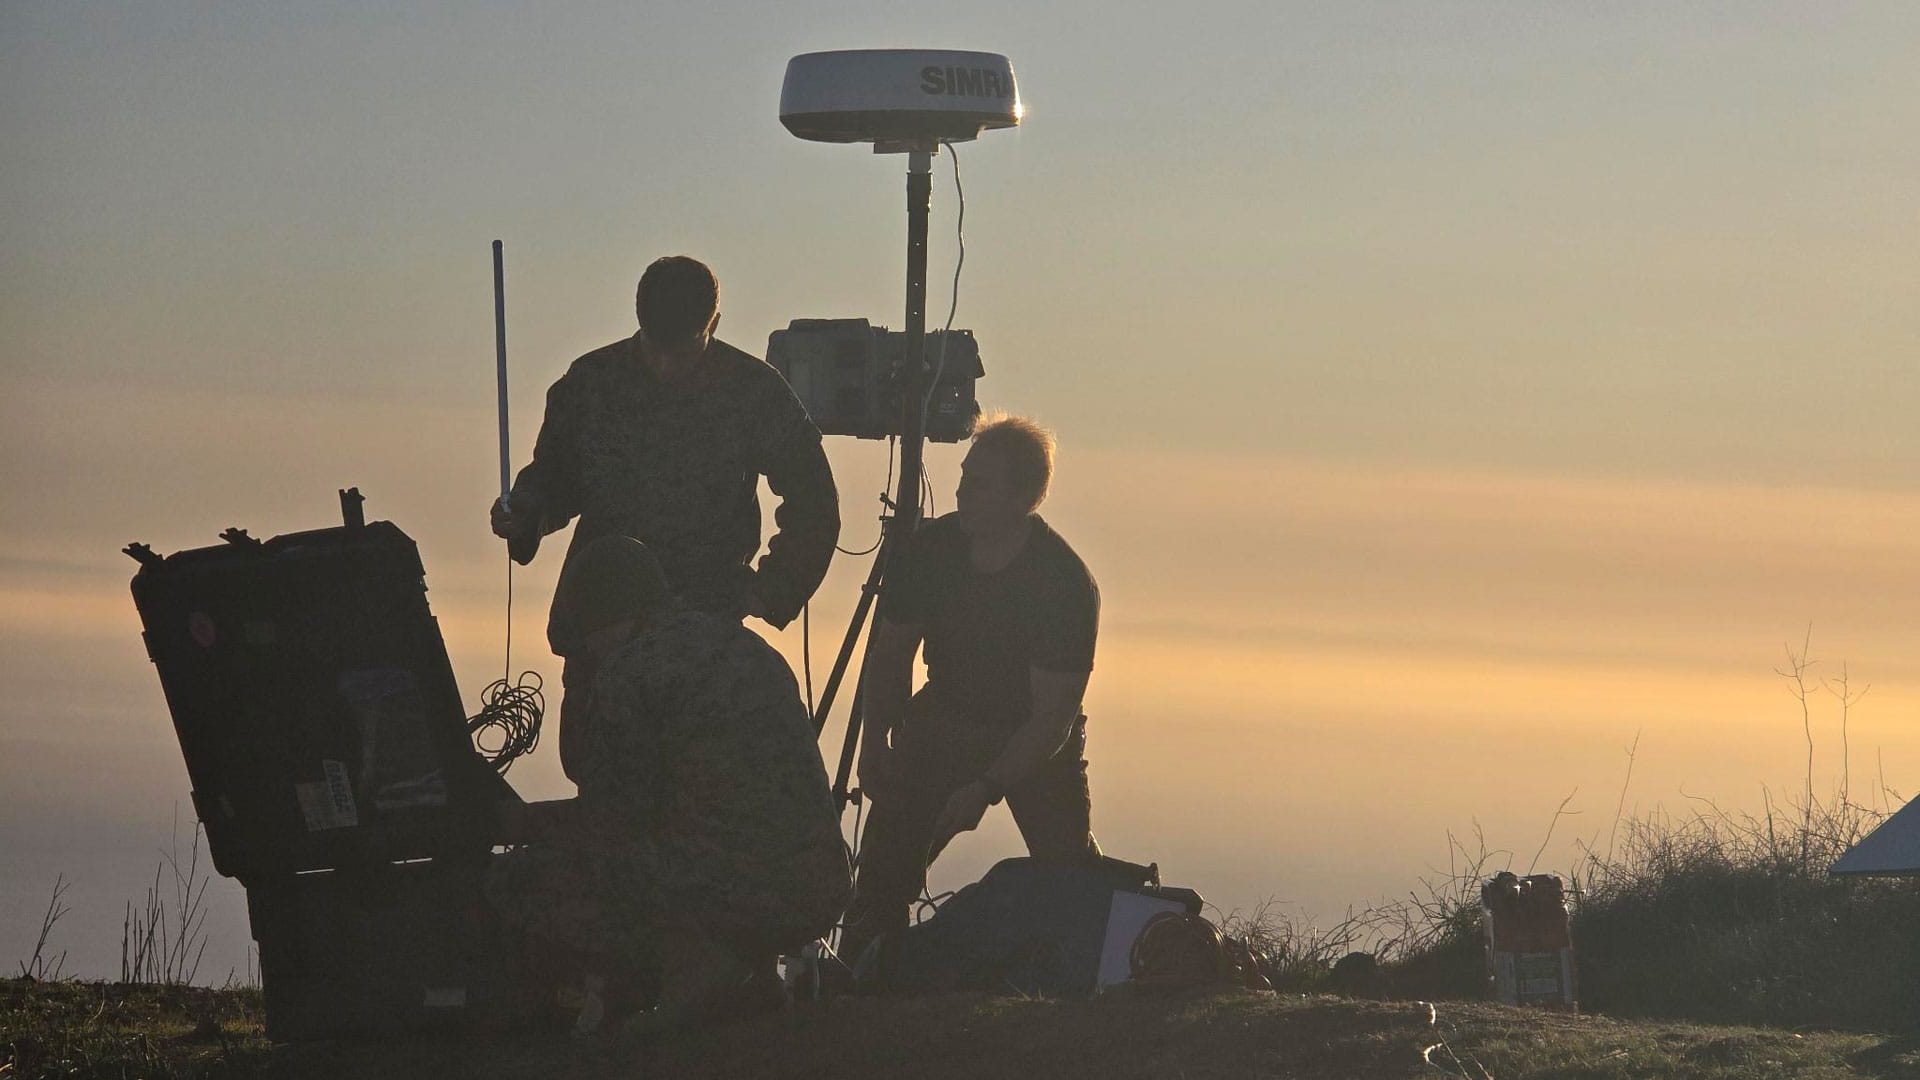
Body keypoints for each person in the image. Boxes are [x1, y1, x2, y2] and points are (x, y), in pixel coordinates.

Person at [488, 255, 839, 780]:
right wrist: (526, 511)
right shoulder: (592, 381)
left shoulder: (752, 391)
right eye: (656, 349)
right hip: (601, 620)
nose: (667, 365)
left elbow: (814, 502)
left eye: (684, 349)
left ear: (714, 324)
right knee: (598, 776)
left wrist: (771, 590)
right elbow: (557, 477)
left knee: (692, 777)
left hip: (699, 621)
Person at [486, 535, 852, 1034]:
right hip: (818, 886)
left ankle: (689, 969)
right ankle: (753, 975)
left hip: (736, 889)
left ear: (600, 621)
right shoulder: (746, 647)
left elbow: (612, 820)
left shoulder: (630, 673)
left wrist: (519, 823)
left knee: (517, 880)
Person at [841, 414, 1102, 963]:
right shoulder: (931, 551)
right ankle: (862, 976)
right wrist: (875, 743)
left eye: (979, 483)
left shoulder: (1064, 584)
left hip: (1034, 739)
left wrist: (986, 787)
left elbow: (1051, 721)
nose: (961, 492)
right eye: (964, 477)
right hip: (945, 718)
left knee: (1069, 879)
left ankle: (1091, 975)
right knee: (883, 874)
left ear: (1023, 497)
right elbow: (891, 655)